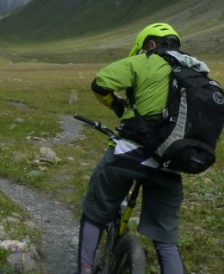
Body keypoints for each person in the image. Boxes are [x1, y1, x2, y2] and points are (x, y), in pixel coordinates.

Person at [76, 22, 207, 274]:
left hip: (130, 154)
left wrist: (117, 106)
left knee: (94, 211)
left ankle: (84, 270)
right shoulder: (196, 70)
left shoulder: (143, 61)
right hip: (172, 161)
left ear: (150, 44)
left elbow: (100, 83)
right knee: (167, 242)